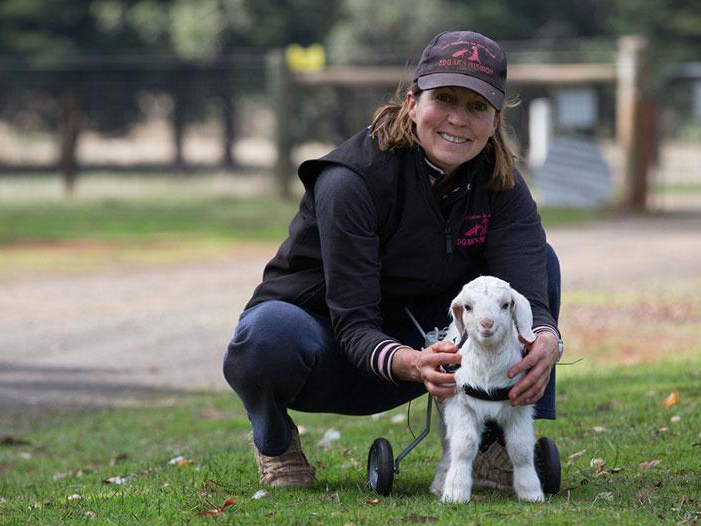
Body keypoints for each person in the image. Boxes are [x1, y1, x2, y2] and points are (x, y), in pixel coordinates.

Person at [223, 30, 563, 489]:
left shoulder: (501, 182)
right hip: (332, 344)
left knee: (541, 265)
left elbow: (529, 288)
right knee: (265, 335)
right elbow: (354, 320)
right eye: (444, 99)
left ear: (494, 119)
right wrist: (410, 360)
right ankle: (275, 442)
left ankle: (492, 445)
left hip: (437, 348)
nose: (458, 119)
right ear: (412, 102)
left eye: (477, 106)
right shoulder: (350, 180)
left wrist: (545, 339)